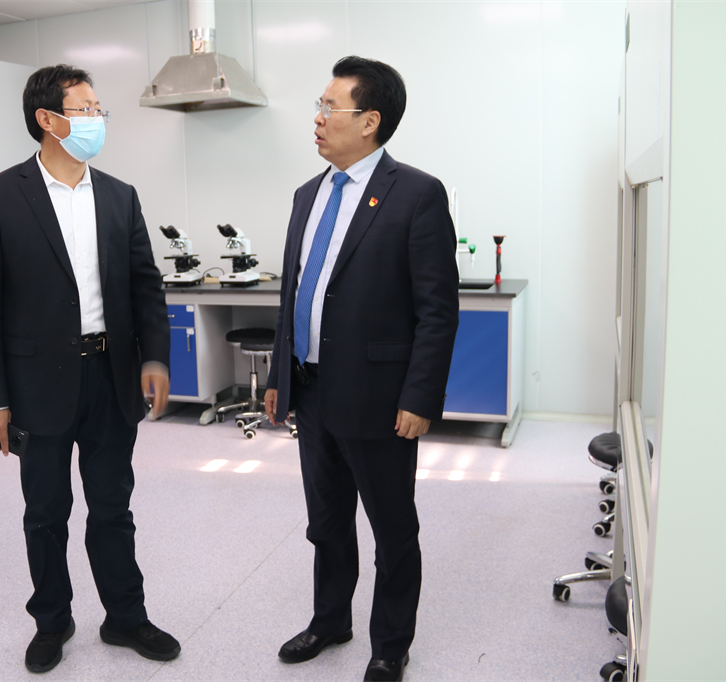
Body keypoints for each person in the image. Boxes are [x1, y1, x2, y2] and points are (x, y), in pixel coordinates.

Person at [0, 64, 179, 674]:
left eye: (97, 109)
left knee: (113, 507)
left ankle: (125, 617)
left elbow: (146, 286)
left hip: (110, 377)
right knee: (45, 513)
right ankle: (52, 622)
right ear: (48, 120)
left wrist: (155, 356)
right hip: (37, 386)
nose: (97, 120)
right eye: (85, 109)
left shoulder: (119, 195)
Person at [264, 56, 459, 682]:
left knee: (392, 529)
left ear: (369, 121)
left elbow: (437, 310)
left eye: (330, 107)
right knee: (325, 523)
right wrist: (279, 377)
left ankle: (390, 645)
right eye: (318, 106)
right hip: (312, 390)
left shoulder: (417, 194)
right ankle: (330, 620)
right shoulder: (308, 194)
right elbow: (294, 293)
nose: (318, 118)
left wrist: (420, 397)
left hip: (380, 397)